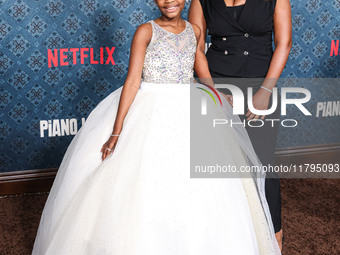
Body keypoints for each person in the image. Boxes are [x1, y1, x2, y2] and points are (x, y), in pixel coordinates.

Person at [32, 0, 281, 254]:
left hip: (188, 103)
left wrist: (215, 93)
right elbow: (132, 81)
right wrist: (116, 131)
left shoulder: (194, 31)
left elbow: (200, 64)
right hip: (150, 107)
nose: (169, 1)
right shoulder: (145, 31)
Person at [188, 0, 292, 250]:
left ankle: (275, 235)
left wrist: (265, 91)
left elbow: (284, 43)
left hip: (260, 86)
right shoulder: (201, 1)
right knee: (217, 165)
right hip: (217, 87)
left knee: (263, 163)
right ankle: (223, 237)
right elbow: (195, 47)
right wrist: (212, 92)